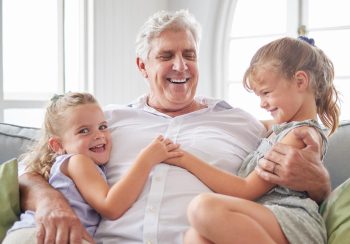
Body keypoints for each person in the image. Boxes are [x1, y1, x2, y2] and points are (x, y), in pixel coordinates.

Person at [18, 10, 332, 244]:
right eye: (167, 55)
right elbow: (33, 167)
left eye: (189, 55)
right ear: (143, 65)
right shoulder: (103, 123)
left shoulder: (241, 123)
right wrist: (48, 201)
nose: (180, 66)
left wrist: (320, 184)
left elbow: (296, 143)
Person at [164, 36, 340, 244]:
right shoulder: (278, 129)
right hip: (266, 216)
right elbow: (253, 122)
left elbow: (245, 190)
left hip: (292, 219)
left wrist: (183, 158)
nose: (263, 104)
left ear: (300, 81)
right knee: (193, 237)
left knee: (202, 207)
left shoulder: (300, 135)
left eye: (266, 93)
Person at [4, 92, 182, 244]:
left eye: (103, 127)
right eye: (83, 131)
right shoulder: (78, 162)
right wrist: (146, 160)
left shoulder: (72, 164)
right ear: (57, 145)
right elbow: (111, 206)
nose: (98, 135)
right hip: (43, 235)